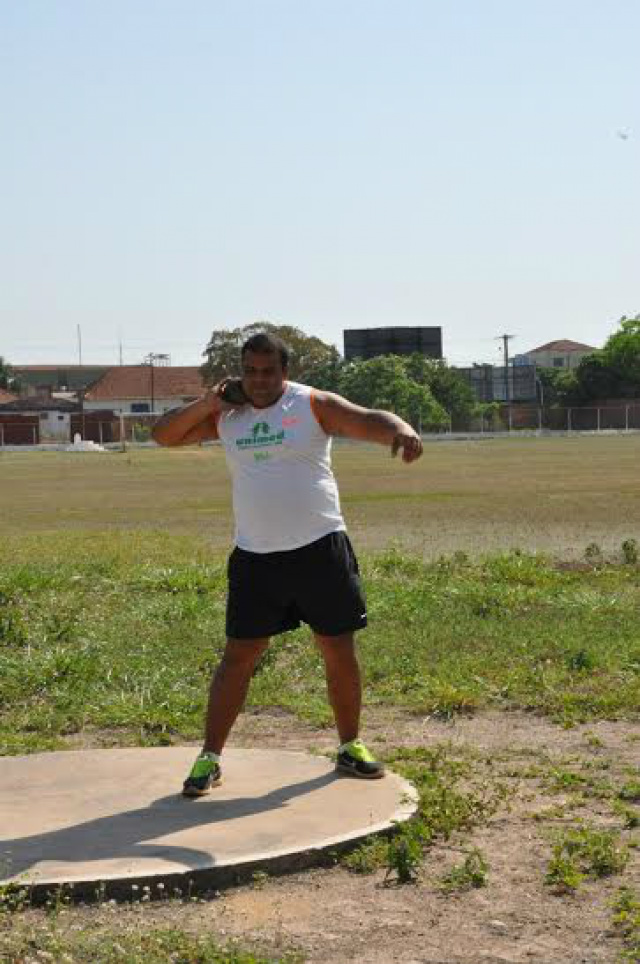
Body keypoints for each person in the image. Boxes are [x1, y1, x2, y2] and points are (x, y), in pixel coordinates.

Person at [152, 332, 423, 796]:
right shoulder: (227, 417)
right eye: (250, 371)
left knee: (338, 649)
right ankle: (209, 757)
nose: (259, 381)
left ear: (284, 372)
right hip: (257, 557)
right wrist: (210, 403)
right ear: (240, 372)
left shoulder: (310, 404)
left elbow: (365, 419)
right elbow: (164, 435)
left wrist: (399, 428)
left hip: (320, 548)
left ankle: (349, 746)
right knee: (238, 658)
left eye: (268, 371)